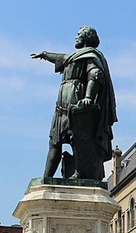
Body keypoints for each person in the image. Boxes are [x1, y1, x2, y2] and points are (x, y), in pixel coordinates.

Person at [31, 26, 117, 180]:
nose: (76, 37)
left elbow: (95, 75)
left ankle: (79, 173)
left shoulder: (91, 56)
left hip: (77, 107)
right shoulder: (74, 57)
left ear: (86, 37)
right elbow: (60, 58)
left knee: (77, 140)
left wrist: (89, 97)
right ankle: (46, 178)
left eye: (79, 35)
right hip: (61, 108)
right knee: (54, 142)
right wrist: (44, 55)